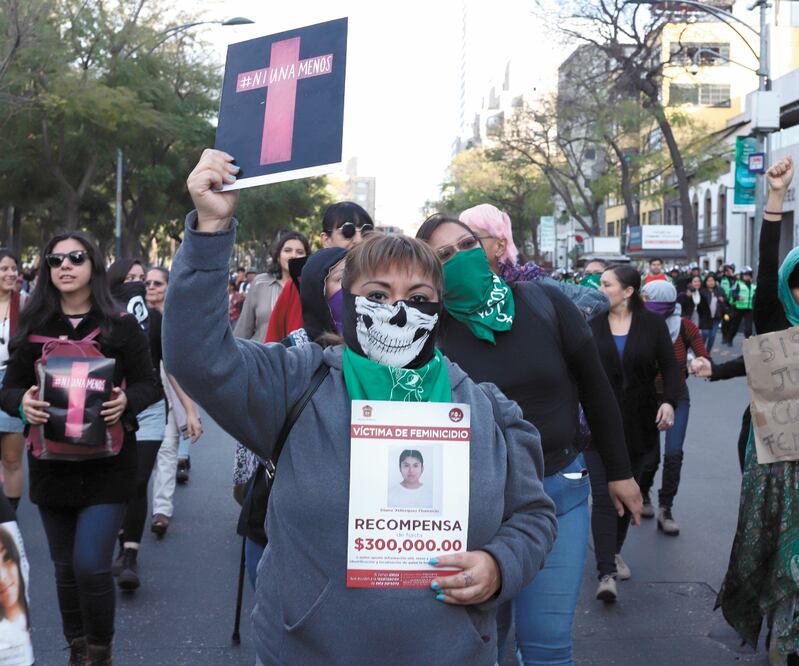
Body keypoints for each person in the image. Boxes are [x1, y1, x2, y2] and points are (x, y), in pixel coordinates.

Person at [163, 149, 558, 666]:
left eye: (417, 296)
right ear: (347, 302)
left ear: (437, 311)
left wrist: (499, 565)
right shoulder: (294, 384)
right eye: (378, 292)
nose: (397, 310)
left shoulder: (487, 412)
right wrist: (211, 228)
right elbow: (196, 356)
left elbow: (533, 516)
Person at [416, 215, 640, 664]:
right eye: (444, 255)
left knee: (547, 646)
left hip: (559, 493)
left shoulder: (543, 302)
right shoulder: (425, 331)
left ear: (488, 247)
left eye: (467, 244)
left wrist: (620, 473)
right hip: (473, 509)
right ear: (430, 272)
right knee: (482, 645)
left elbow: (596, 389)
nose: (461, 257)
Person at [0, 231, 158, 665]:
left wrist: (128, 402)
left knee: (90, 563)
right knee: (66, 571)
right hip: (51, 467)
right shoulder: (33, 326)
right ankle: (78, 648)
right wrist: (22, 403)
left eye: (75, 257)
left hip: (109, 466)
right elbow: (9, 387)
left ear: (94, 265)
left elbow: (150, 383)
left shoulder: (120, 324)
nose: (65, 266)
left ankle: (100, 649)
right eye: (55, 260)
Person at [714, 156, 799, 662]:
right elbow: (769, 262)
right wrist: (775, 199)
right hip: (771, 460)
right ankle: (782, 633)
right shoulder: (771, 316)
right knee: (773, 546)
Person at [586, 265, 679, 602]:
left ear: (627, 292)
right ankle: (605, 573)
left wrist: (668, 402)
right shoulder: (591, 324)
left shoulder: (652, 325)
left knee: (628, 495)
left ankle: (613, 551)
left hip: (640, 426)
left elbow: (670, 367)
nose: (600, 289)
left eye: (606, 284)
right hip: (597, 426)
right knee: (602, 498)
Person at [106, 258, 165, 592]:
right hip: (111, 410)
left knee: (138, 480)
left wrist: (187, 409)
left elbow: (166, 366)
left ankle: (129, 556)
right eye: (129, 278)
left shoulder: (156, 319)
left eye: (141, 279)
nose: (137, 284)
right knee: (118, 481)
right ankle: (118, 541)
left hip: (151, 408)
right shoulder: (102, 320)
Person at [637, 280, 708, 536]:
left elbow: (702, 353)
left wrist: (701, 362)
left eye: (655, 304)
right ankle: (643, 493)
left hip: (677, 396)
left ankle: (666, 508)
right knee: (650, 457)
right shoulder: (638, 323)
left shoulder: (685, 326)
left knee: (674, 453)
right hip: (646, 399)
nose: (649, 307)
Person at [149, 266, 203, 536]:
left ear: (168, 287)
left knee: (168, 451)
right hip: (139, 397)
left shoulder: (176, 320)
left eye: (157, 283)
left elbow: (177, 367)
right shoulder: (132, 319)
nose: (151, 288)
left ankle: (161, 510)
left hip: (170, 390)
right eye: (147, 283)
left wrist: (190, 410)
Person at [234, 231, 310, 342]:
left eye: (300, 252)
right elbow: (244, 327)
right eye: (287, 250)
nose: (293, 255)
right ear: (278, 256)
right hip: (260, 355)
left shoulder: (311, 288)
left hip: (298, 357)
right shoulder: (260, 282)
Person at [458, 204, 546, 285]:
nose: (459, 251)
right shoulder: (453, 288)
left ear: (500, 246)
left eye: (469, 242)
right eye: (458, 243)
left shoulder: (532, 281)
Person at [0, 252, 26, 511]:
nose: (10, 274)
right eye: (3, 268)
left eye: (13, 268)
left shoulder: (25, 304)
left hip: (12, 382)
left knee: (11, 459)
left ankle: (9, 525)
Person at [699, 273, 726, 352]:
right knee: (705, 334)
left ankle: (707, 353)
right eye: (709, 281)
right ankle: (700, 351)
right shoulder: (702, 291)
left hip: (716, 317)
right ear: (706, 282)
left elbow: (725, 300)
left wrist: (723, 300)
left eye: (712, 280)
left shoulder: (719, 290)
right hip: (705, 318)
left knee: (712, 336)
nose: (711, 282)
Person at [729, 266, 755, 341]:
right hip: (738, 308)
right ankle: (729, 339)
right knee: (735, 326)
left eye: (749, 275)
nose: (747, 276)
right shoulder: (737, 284)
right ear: (742, 276)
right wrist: (737, 297)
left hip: (749, 309)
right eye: (745, 275)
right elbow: (733, 294)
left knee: (748, 328)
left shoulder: (753, 286)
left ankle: (748, 342)